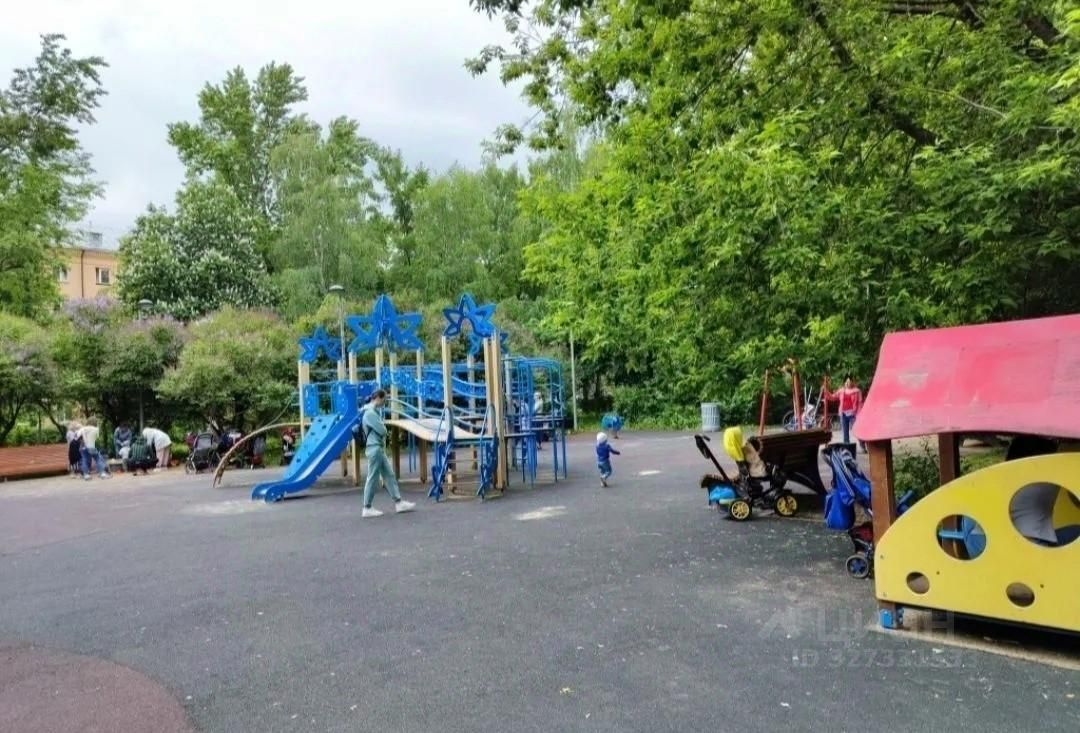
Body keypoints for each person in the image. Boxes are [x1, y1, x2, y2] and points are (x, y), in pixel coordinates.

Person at [359, 390, 416, 518]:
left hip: (377, 448)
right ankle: (367, 507)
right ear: (378, 398)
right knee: (373, 477)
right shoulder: (370, 413)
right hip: (374, 448)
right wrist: (383, 427)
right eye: (383, 400)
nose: (384, 403)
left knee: (389, 474)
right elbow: (383, 430)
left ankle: (398, 502)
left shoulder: (371, 411)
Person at [829, 376, 863, 447]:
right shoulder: (841, 391)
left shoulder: (857, 391)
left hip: (853, 414)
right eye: (846, 382)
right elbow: (832, 397)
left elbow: (860, 403)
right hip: (843, 414)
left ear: (852, 382)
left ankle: (862, 445)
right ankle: (847, 446)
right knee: (845, 432)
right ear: (844, 383)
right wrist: (826, 392)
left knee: (857, 430)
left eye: (849, 382)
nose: (848, 383)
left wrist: (859, 414)